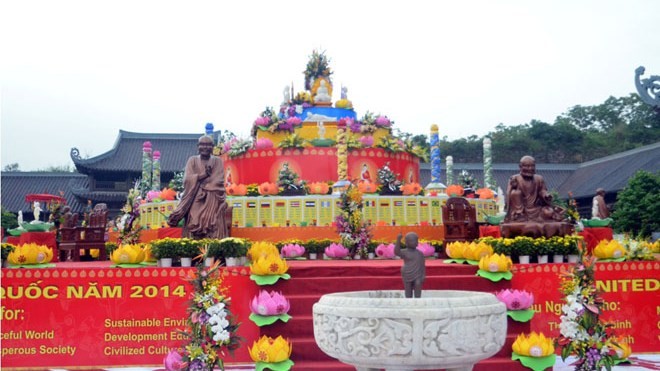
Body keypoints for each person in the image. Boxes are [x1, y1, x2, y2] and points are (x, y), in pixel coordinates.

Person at [168, 135, 229, 239]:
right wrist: (203, 176)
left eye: (208, 145)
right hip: (195, 195)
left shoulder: (217, 161)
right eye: (202, 144)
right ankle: (192, 243)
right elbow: (187, 179)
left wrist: (204, 186)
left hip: (212, 197)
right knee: (194, 217)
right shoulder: (192, 160)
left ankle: (214, 242)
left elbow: (218, 180)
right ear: (198, 146)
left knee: (214, 216)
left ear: (213, 147)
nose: (205, 147)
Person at [504, 155, 561, 223]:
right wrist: (513, 186)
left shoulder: (539, 178)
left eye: (532, 166)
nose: (530, 168)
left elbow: (542, 190)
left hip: (536, 208)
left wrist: (546, 195)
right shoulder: (515, 178)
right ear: (520, 166)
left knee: (549, 212)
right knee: (515, 193)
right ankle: (519, 215)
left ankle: (538, 220)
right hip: (522, 210)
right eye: (527, 166)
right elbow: (508, 193)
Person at [395, 232, 425, 298]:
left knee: (418, 284)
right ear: (406, 242)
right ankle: (409, 301)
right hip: (407, 273)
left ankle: (417, 300)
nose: (414, 242)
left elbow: (422, 265)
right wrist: (398, 240)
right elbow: (396, 252)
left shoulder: (420, 254)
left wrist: (423, 275)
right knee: (408, 288)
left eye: (416, 240)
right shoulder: (404, 252)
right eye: (412, 241)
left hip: (417, 274)